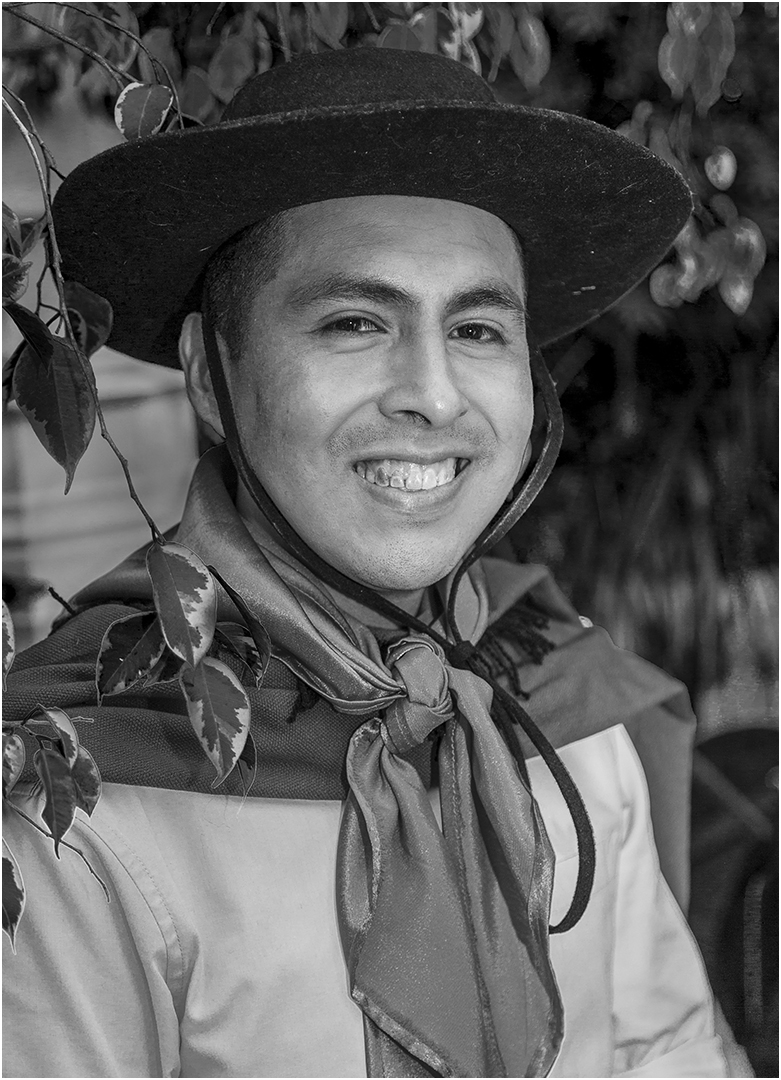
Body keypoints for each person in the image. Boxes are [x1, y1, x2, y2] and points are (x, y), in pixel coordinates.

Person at [3, 47, 729, 1078]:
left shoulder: (559, 703)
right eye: (354, 322)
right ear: (213, 376)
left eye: (477, 328)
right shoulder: (78, 799)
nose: (432, 394)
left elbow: (667, 1049)